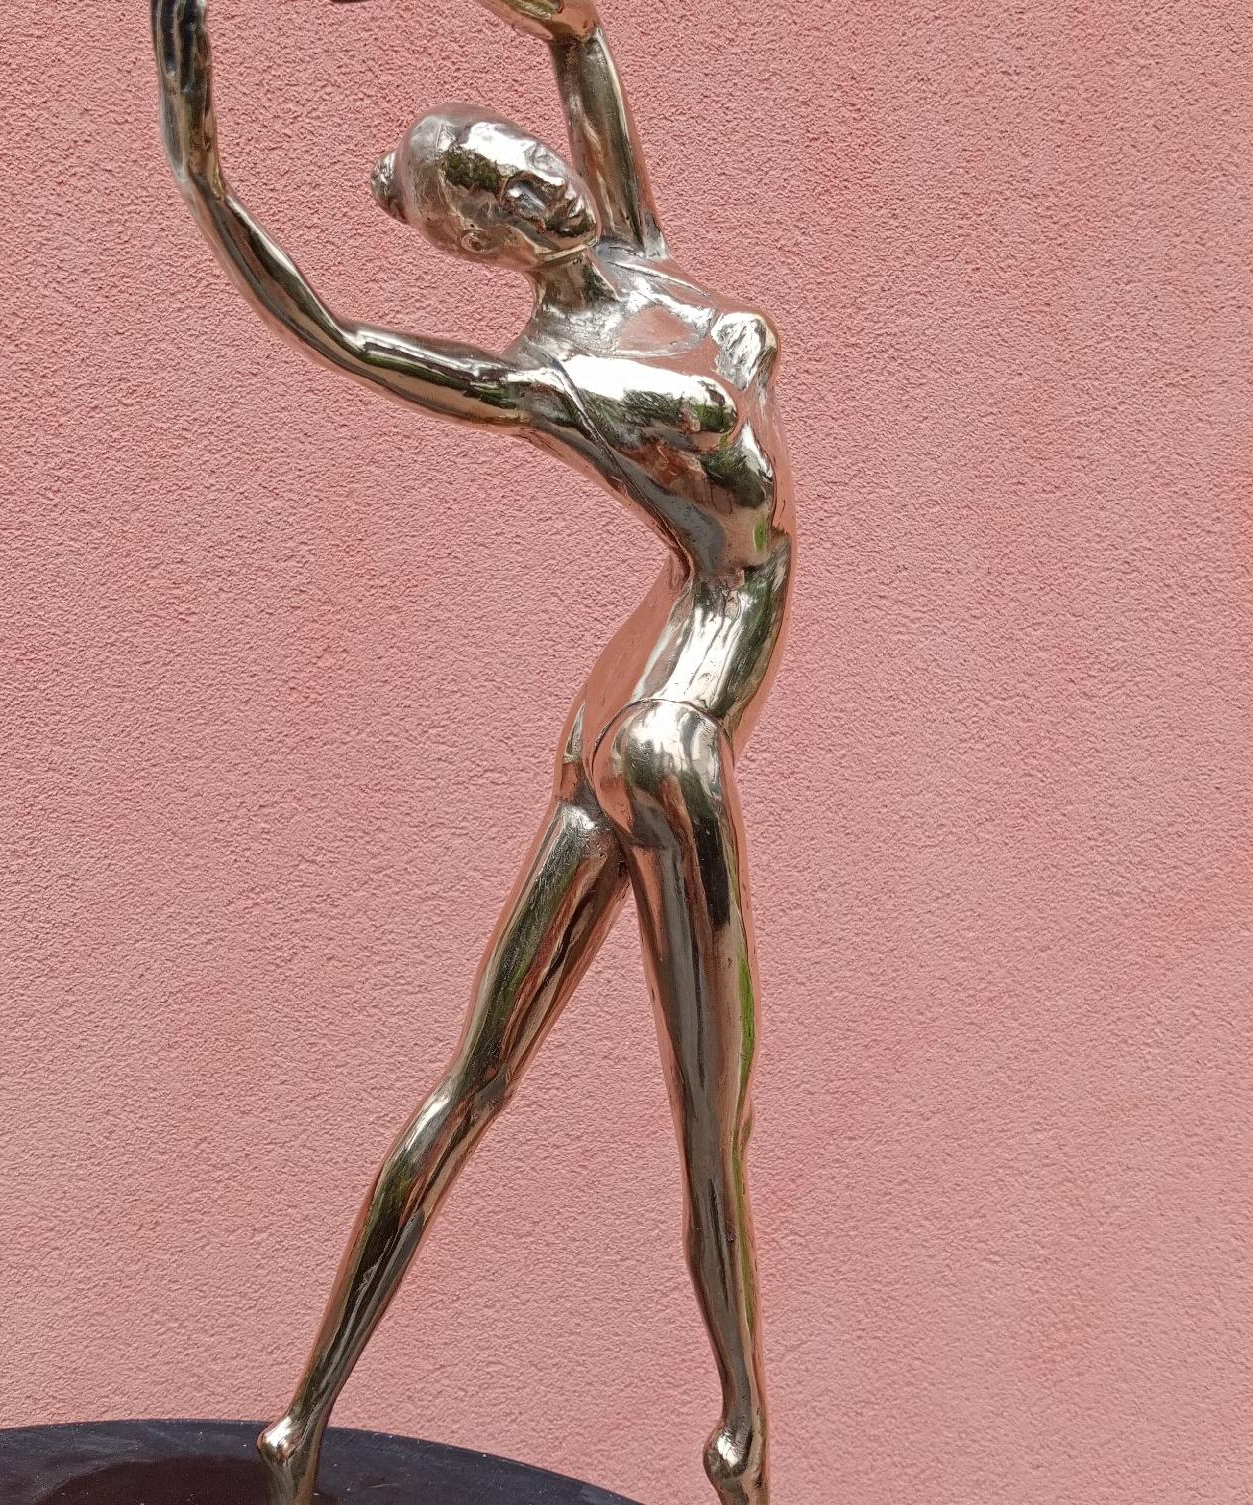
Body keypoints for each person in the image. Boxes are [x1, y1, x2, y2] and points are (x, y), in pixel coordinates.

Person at [151, 1, 795, 1500]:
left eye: (518, 158)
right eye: (492, 193)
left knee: (476, 1083)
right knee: (712, 1118)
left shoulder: (633, 252)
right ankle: (742, 1443)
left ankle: (298, 1425)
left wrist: (537, 18)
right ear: (476, 245)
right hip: (671, 726)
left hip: (628, 692)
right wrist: (199, 152)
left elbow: (582, 48)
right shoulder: (543, 375)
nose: (533, 181)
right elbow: (335, 333)